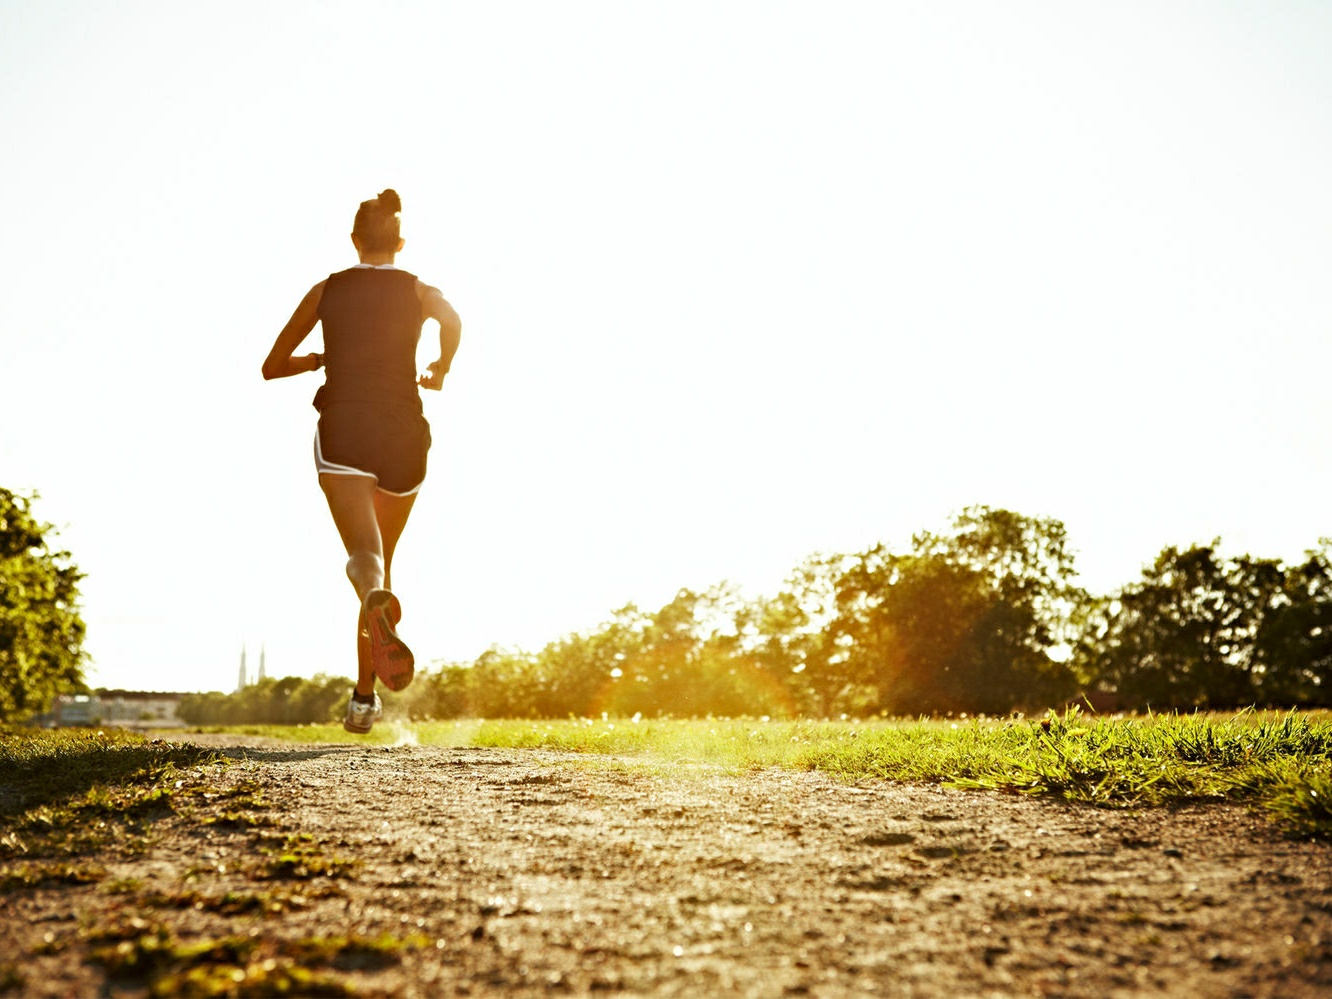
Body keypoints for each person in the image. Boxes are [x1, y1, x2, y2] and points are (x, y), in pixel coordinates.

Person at [262, 189, 461, 734]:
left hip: (347, 430)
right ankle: (363, 698)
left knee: (366, 560)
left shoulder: (328, 289)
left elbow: (271, 366)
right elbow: (453, 320)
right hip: (404, 437)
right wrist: (440, 367)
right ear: (399, 243)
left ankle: (371, 609)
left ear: (355, 240)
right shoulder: (419, 289)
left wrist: (318, 359)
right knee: (383, 566)